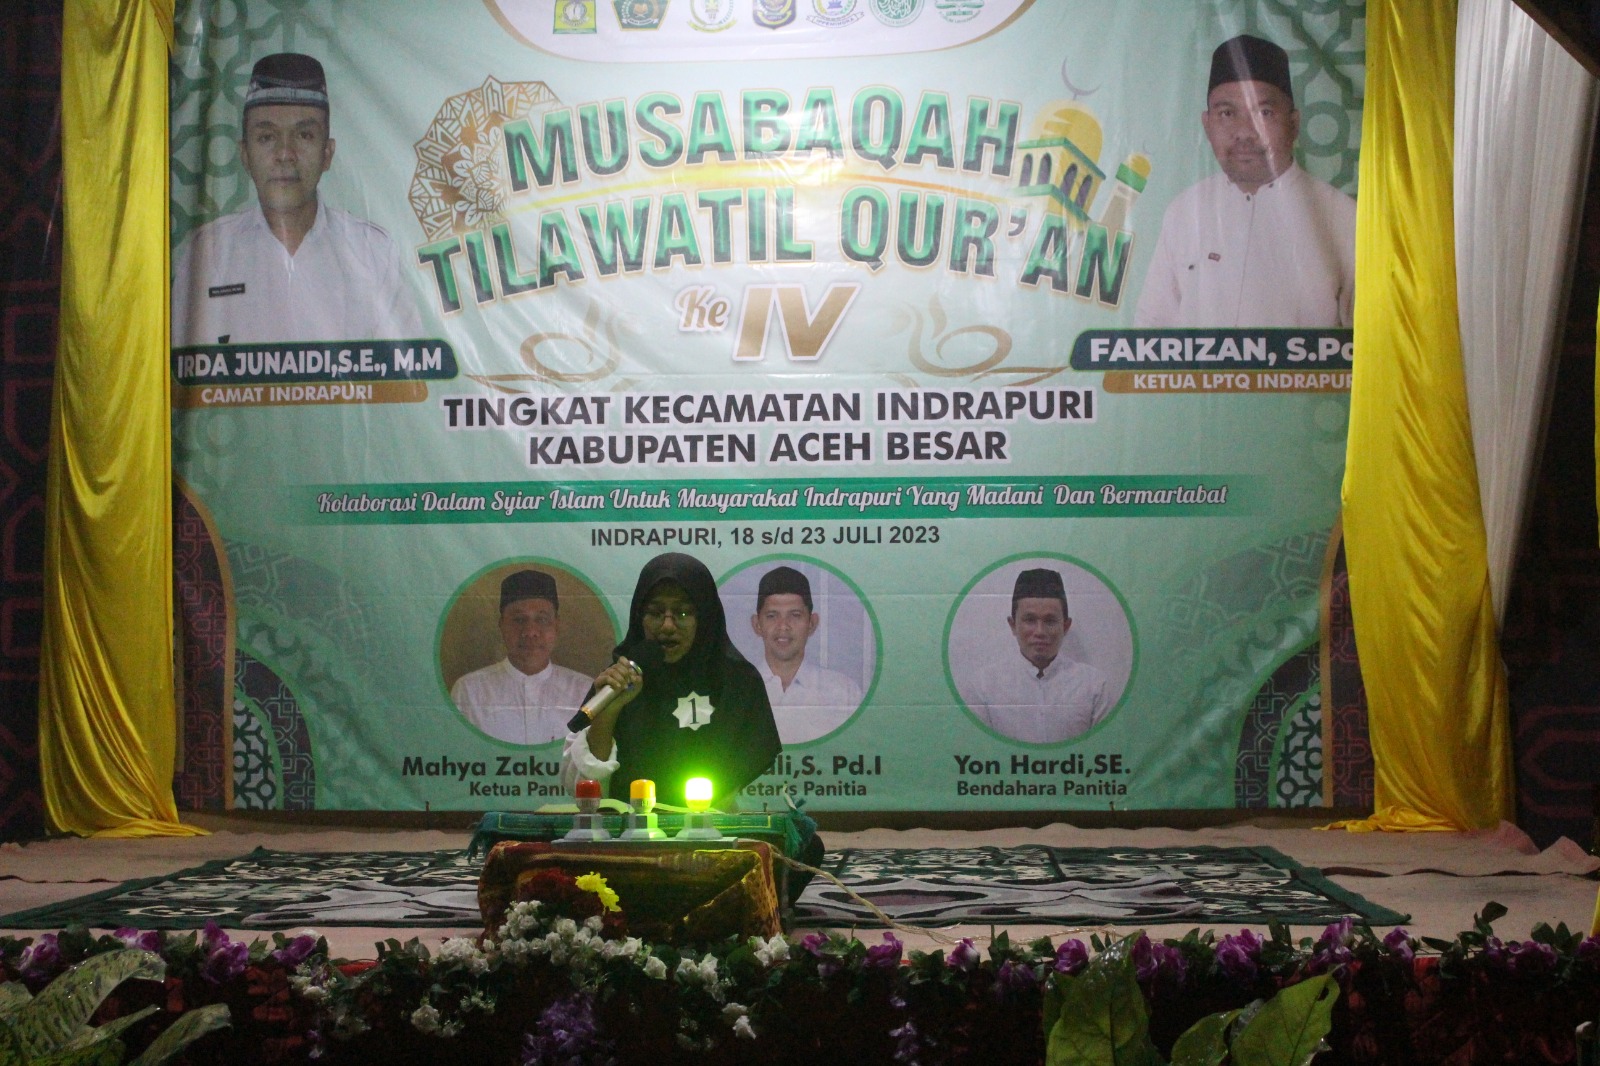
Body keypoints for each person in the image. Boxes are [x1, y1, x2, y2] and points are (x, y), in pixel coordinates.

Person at [171, 52, 421, 346]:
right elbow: (178, 366)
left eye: (304, 135)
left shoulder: (373, 253)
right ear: (245, 154)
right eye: (267, 137)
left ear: (327, 153)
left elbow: (406, 368)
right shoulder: (209, 253)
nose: (285, 154)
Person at [1134, 34, 1356, 329]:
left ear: (1293, 124)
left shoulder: (1342, 216)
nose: (1244, 132)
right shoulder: (1185, 211)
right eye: (1227, 113)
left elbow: (1370, 338)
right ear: (1207, 125)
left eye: (1264, 113)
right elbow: (1151, 330)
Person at [560, 553, 782, 807]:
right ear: (639, 616)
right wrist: (608, 713)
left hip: (708, 826)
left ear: (704, 617)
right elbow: (585, 789)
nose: (667, 626)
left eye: (683, 613)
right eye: (655, 613)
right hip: (628, 827)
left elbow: (742, 766)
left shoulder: (736, 682)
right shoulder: (619, 679)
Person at [967, 568, 1111, 743]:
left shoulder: (1094, 686)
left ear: (1065, 626)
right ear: (1013, 625)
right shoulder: (984, 687)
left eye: (1050, 621)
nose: (1040, 632)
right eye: (1030, 620)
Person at [451, 570, 592, 745]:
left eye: (542, 620)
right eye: (519, 620)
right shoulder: (469, 691)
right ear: (501, 625)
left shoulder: (585, 690)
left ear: (556, 625)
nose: (530, 632)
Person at [751, 566, 863, 743]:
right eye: (772, 616)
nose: (783, 626)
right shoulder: (735, 689)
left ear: (812, 623)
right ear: (757, 624)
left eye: (795, 615)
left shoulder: (844, 692)